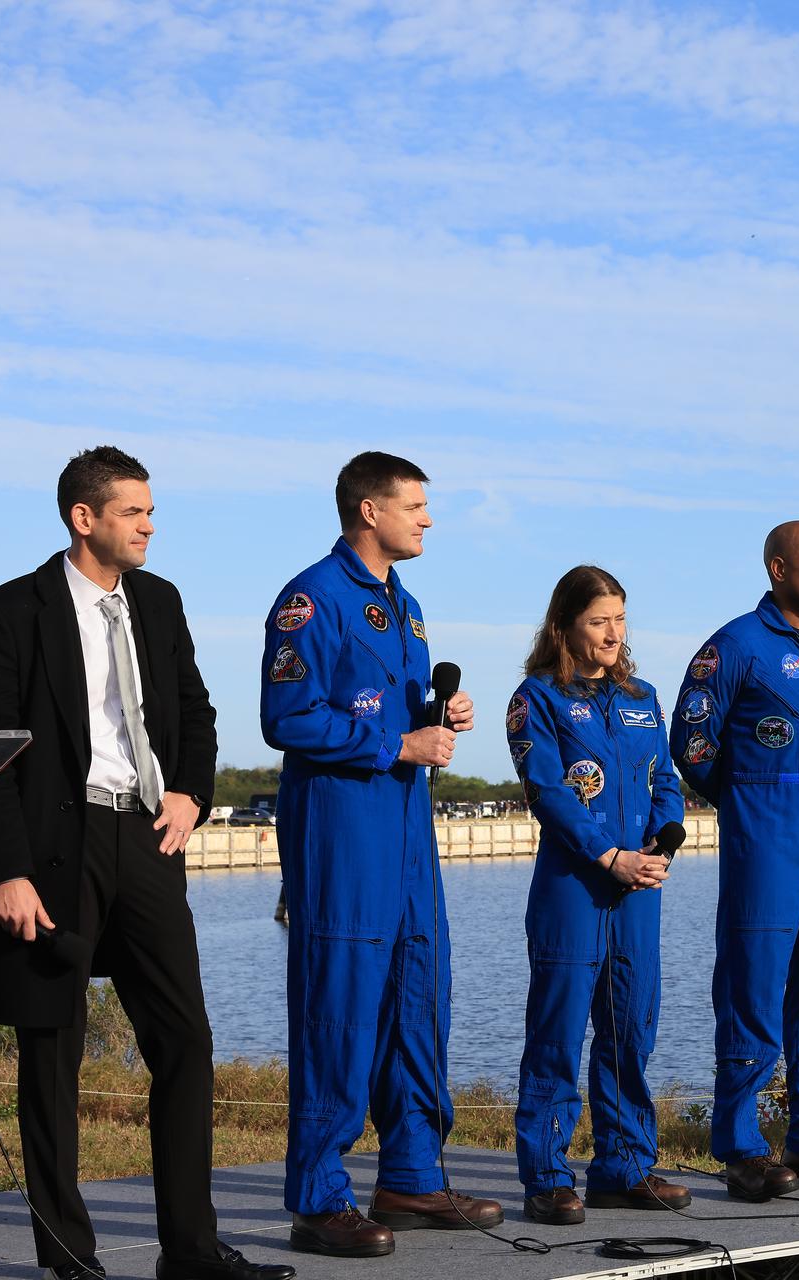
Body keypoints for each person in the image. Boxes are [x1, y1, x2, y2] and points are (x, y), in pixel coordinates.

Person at [0, 446, 293, 1280]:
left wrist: (189, 791)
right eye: (134, 512)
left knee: (186, 1040)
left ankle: (191, 1250)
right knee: (53, 1056)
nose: (150, 525)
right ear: (85, 518)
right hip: (51, 854)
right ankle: (70, 1260)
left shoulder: (159, 601)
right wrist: (6, 871)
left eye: (150, 511)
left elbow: (196, 711)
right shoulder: (8, 613)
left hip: (147, 840)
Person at [260, 452, 503, 1258]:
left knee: (418, 997)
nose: (427, 519)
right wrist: (397, 739)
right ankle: (319, 1197)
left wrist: (441, 714)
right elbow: (289, 719)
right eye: (415, 506)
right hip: (342, 834)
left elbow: (392, 714)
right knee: (339, 1009)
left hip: (408, 837)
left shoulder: (410, 606)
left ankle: (409, 1173)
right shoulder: (310, 600)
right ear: (369, 510)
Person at [669, 521, 799, 1202]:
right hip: (765, 844)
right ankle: (743, 1148)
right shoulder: (735, 646)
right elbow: (691, 741)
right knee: (752, 993)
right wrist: (744, 800)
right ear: (779, 568)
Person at [505, 567, 690, 1224]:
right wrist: (608, 855)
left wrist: (661, 849)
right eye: (597, 621)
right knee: (558, 1034)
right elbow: (548, 791)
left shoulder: (642, 695)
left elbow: (665, 780)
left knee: (630, 1029)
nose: (612, 633)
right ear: (565, 627)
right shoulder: (537, 699)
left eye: (619, 619)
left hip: (639, 888)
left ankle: (623, 1166)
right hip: (575, 888)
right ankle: (548, 1175)